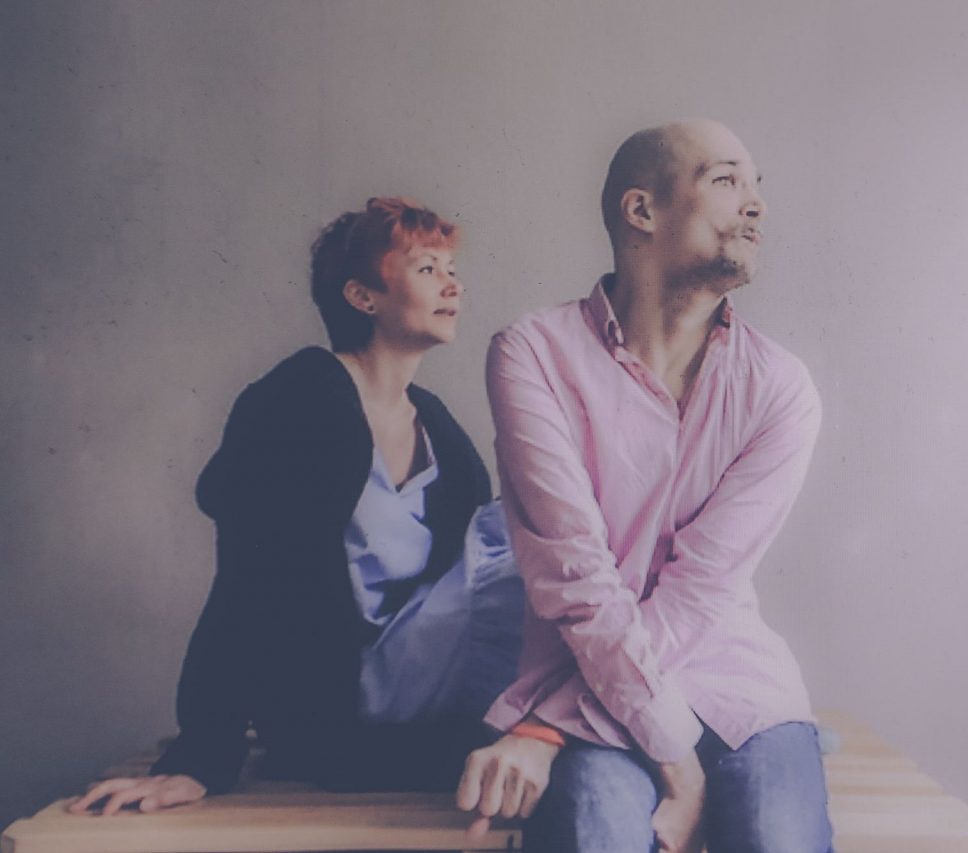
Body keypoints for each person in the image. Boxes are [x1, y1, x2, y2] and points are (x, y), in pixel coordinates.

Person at [70, 197, 523, 815]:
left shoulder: (435, 426)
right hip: (340, 696)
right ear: (362, 296)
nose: (453, 285)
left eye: (451, 269)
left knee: (545, 531)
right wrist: (201, 757)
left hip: (421, 683)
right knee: (527, 543)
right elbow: (249, 579)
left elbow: (466, 584)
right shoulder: (305, 398)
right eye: (426, 269)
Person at [456, 120, 833, 852]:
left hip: (732, 691)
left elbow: (700, 594)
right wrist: (675, 760)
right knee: (595, 832)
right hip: (590, 687)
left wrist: (544, 727)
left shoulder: (783, 389)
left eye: (756, 186)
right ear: (641, 210)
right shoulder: (533, 354)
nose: (755, 203)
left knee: (779, 840)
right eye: (725, 180)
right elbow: (576, 577)